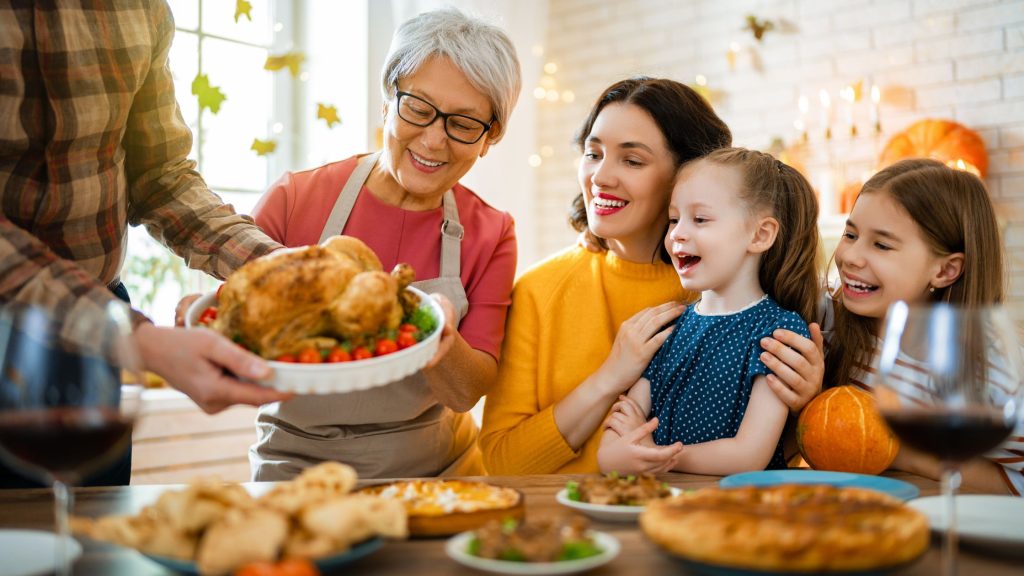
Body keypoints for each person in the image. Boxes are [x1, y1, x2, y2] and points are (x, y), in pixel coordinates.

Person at [0, 1, 290, 488]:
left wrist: (276, 266)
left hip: (97, 337)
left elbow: (160, 177)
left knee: (91, 546)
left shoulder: (142, 9)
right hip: (103, 329)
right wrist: (140, 341)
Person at [247, 8, 521, 480]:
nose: (434, 140)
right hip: (296, 469)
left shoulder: (491, 232)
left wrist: (437, 336)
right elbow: (241, 345)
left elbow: (464, 393)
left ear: (490, 137)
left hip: (440, 475)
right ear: (386, 100)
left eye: (463, 123)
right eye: (417, 107)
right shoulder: (293, 200)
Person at [479, 77, 732, 475]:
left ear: (687, 174)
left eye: (631, 161)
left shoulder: (731, 290)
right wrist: (611, 376)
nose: (600, 177)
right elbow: (501, 462)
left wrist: (797, 407)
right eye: (593, 153)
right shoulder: (538, 290)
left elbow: (758, 453)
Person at [767, 159, 1022, 494]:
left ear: (945, 271)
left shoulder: (990, 370)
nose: (851, 257)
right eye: (850, 234)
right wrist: (809, 406)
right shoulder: (822, 320)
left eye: (882, 245)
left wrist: (894, 448)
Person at [597, 148, 820, 474]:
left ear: (760, 234)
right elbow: (610, 451)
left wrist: (658, 455)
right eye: (674, 219)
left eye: (700, 219)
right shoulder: (668, 328)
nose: (677, 234)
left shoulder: (778, 333)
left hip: (740, 511)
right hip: (665, 509)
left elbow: (749, 456)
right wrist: (626, 453)